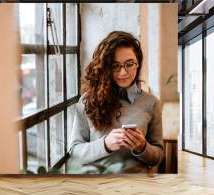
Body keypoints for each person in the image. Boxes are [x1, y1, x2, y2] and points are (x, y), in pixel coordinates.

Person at [67, 31, 163, 174]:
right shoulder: (87, 101)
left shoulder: (151, 102)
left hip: (136, 187)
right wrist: (105, 145)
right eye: (115, 66)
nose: (123, 73)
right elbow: (74, 151)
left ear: (138, 64)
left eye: (129, 64)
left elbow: (158, 157)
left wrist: (143, 147)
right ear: (105, 68)